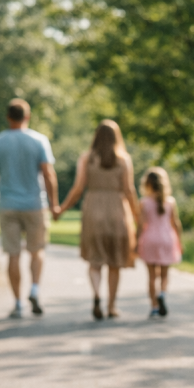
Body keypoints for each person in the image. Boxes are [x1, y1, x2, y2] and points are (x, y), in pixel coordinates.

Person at [0, 98, 61, 319]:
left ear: (8, 117)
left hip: (7, 205)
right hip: (35, 204)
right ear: (27, 117)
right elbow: (48, 174)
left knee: (13, 255)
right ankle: (34, 289)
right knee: (37, 251)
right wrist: (54, 204)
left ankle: (18, 303)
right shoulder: (39, 140)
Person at [57, 120, 139, 320]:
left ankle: (96, 295)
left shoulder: (87, 158)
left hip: (93, 210)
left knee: (95, 259)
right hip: (117, 211)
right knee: (114, 261)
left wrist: (62, 209)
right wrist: (138, 217)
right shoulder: (123, 159)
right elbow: (129, 190)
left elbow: (78, 189)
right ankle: (111, 306)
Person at [136, 167, 183, 318]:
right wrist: (179, 242)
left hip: (149, 239)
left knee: (151, 276)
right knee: (164, 274)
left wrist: (136, 242)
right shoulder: (170, 202)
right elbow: (176, 224)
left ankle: (154, 307)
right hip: (167, 239)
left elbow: (140, 225)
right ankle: (162, 293)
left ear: (147, 184)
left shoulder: (144, 202)